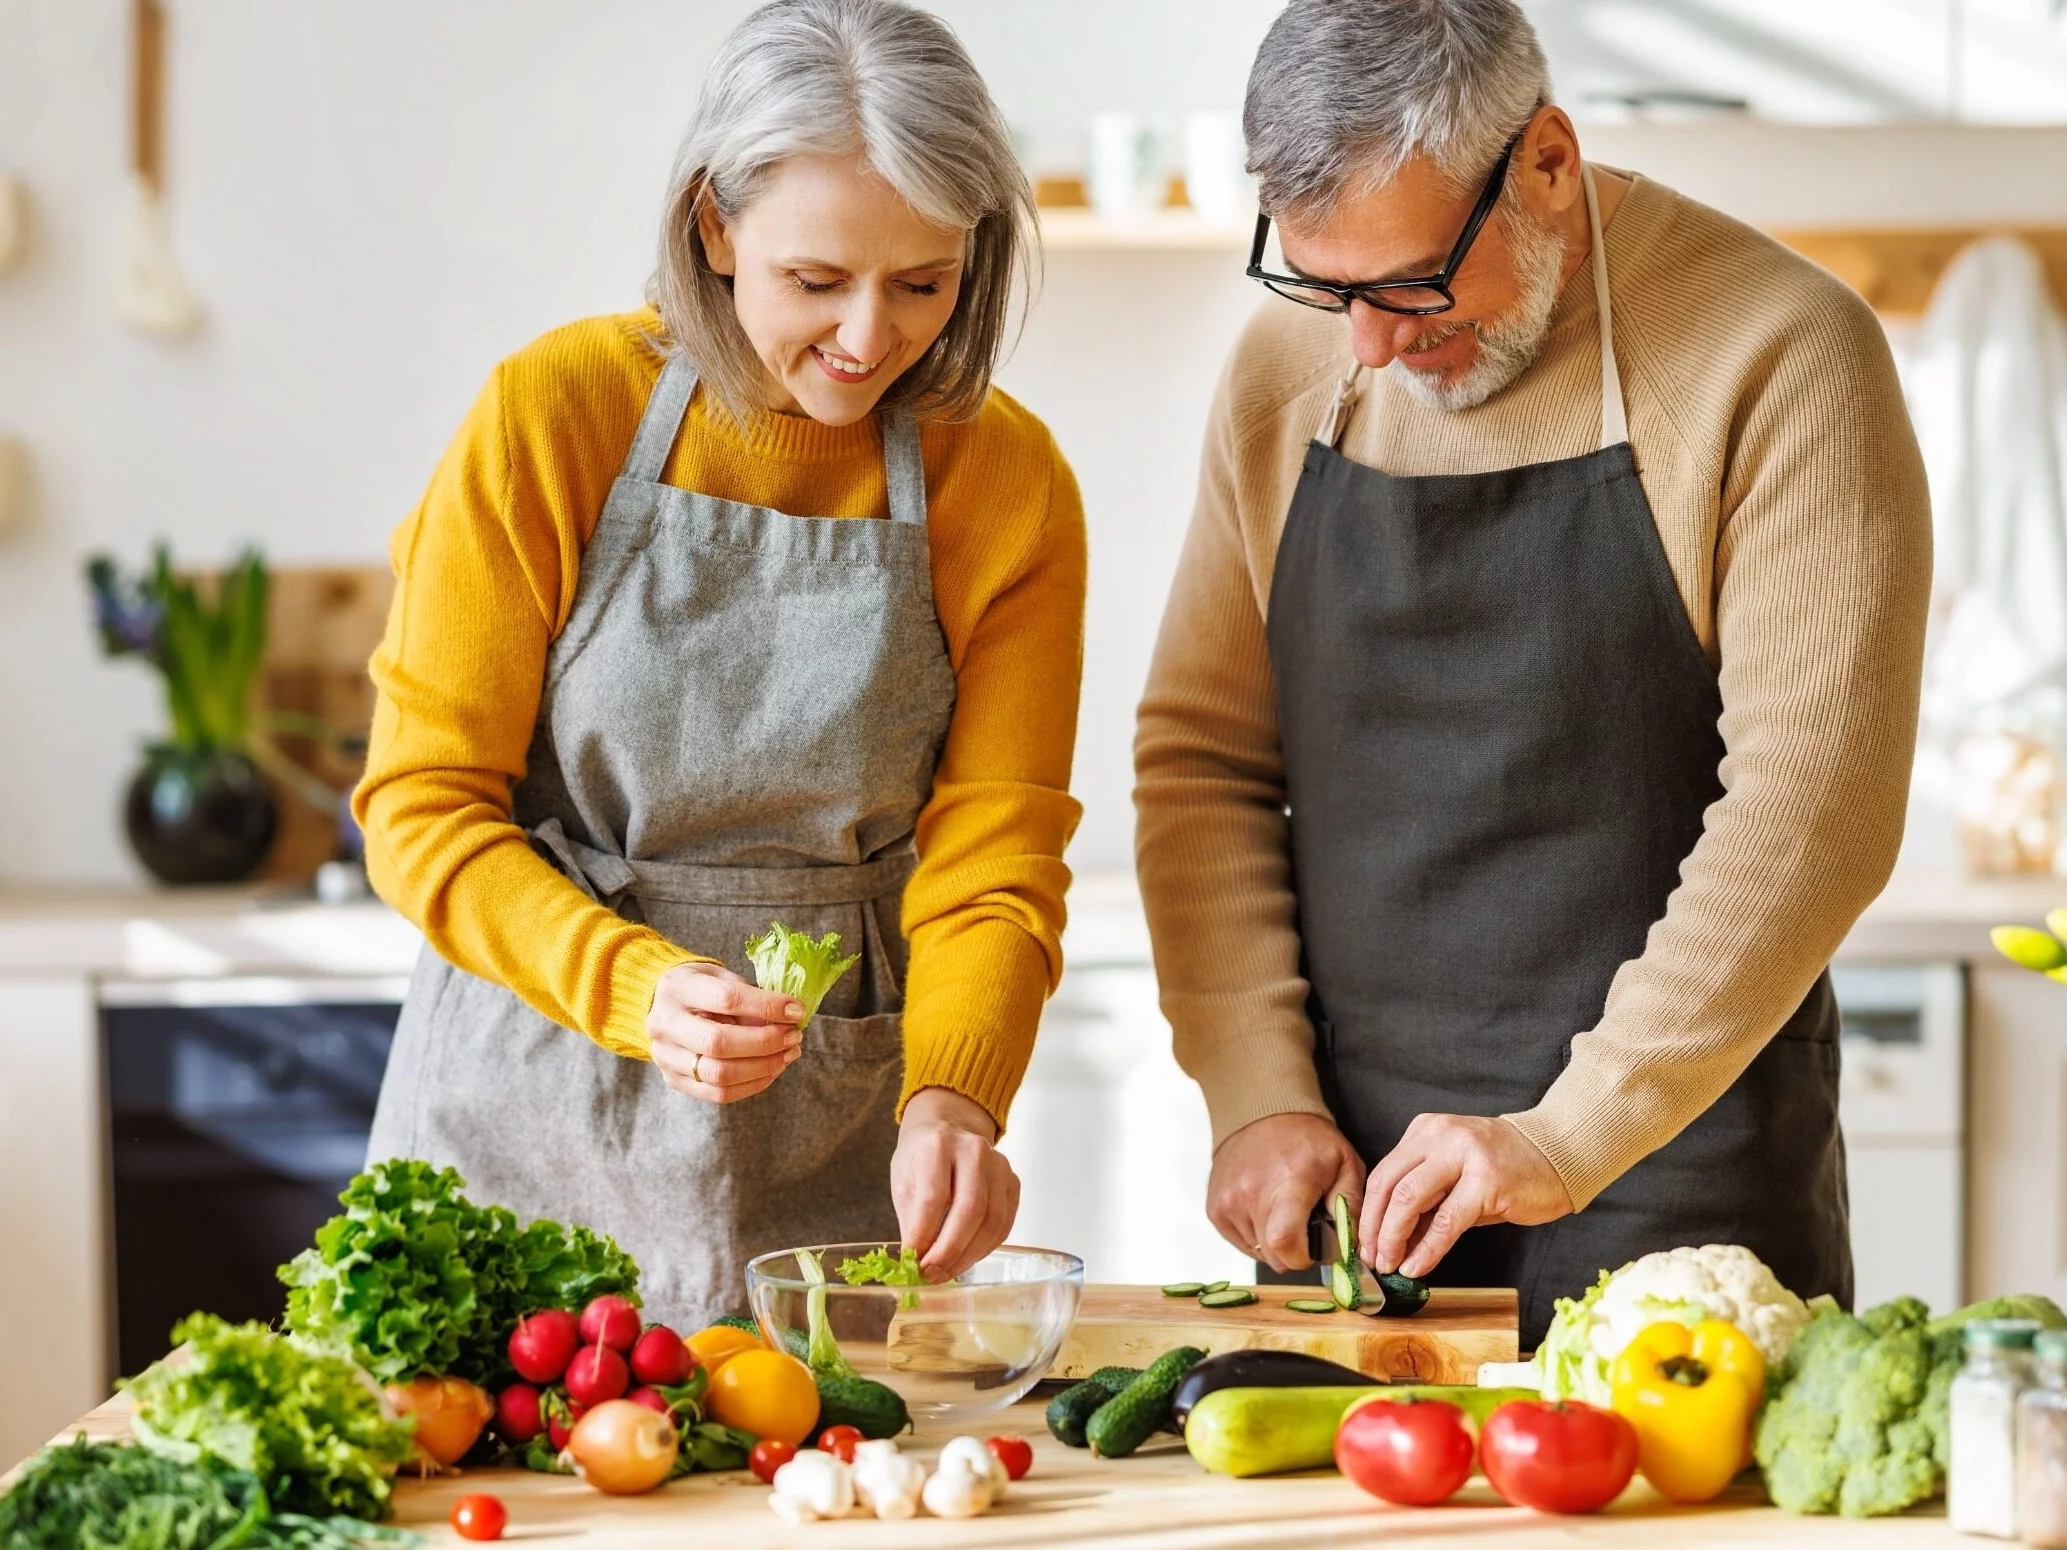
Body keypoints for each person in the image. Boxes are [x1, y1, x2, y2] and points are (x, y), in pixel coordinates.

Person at [1135, 0, 1930, 1346]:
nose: (1369, 345)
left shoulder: (1782, 353)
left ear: (1547, 160)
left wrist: (1567, 1133)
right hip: (1361, 1208)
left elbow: (1811, 812)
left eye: (1409, 285)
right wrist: (1256, 1093)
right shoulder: (1292, 368)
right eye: (1327, 290)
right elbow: (1203, 760)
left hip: (1681, 1179)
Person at [359, 0, 1085, 1330]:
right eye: (817, 281)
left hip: (830, 1140)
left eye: (922, 282)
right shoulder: (553, 414)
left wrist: (954, 1096)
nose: (869, 337)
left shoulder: (1009, 480)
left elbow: (995, 853)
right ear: (713, 224)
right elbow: (419, 811)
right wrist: (632, 984)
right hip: (534, 1094)